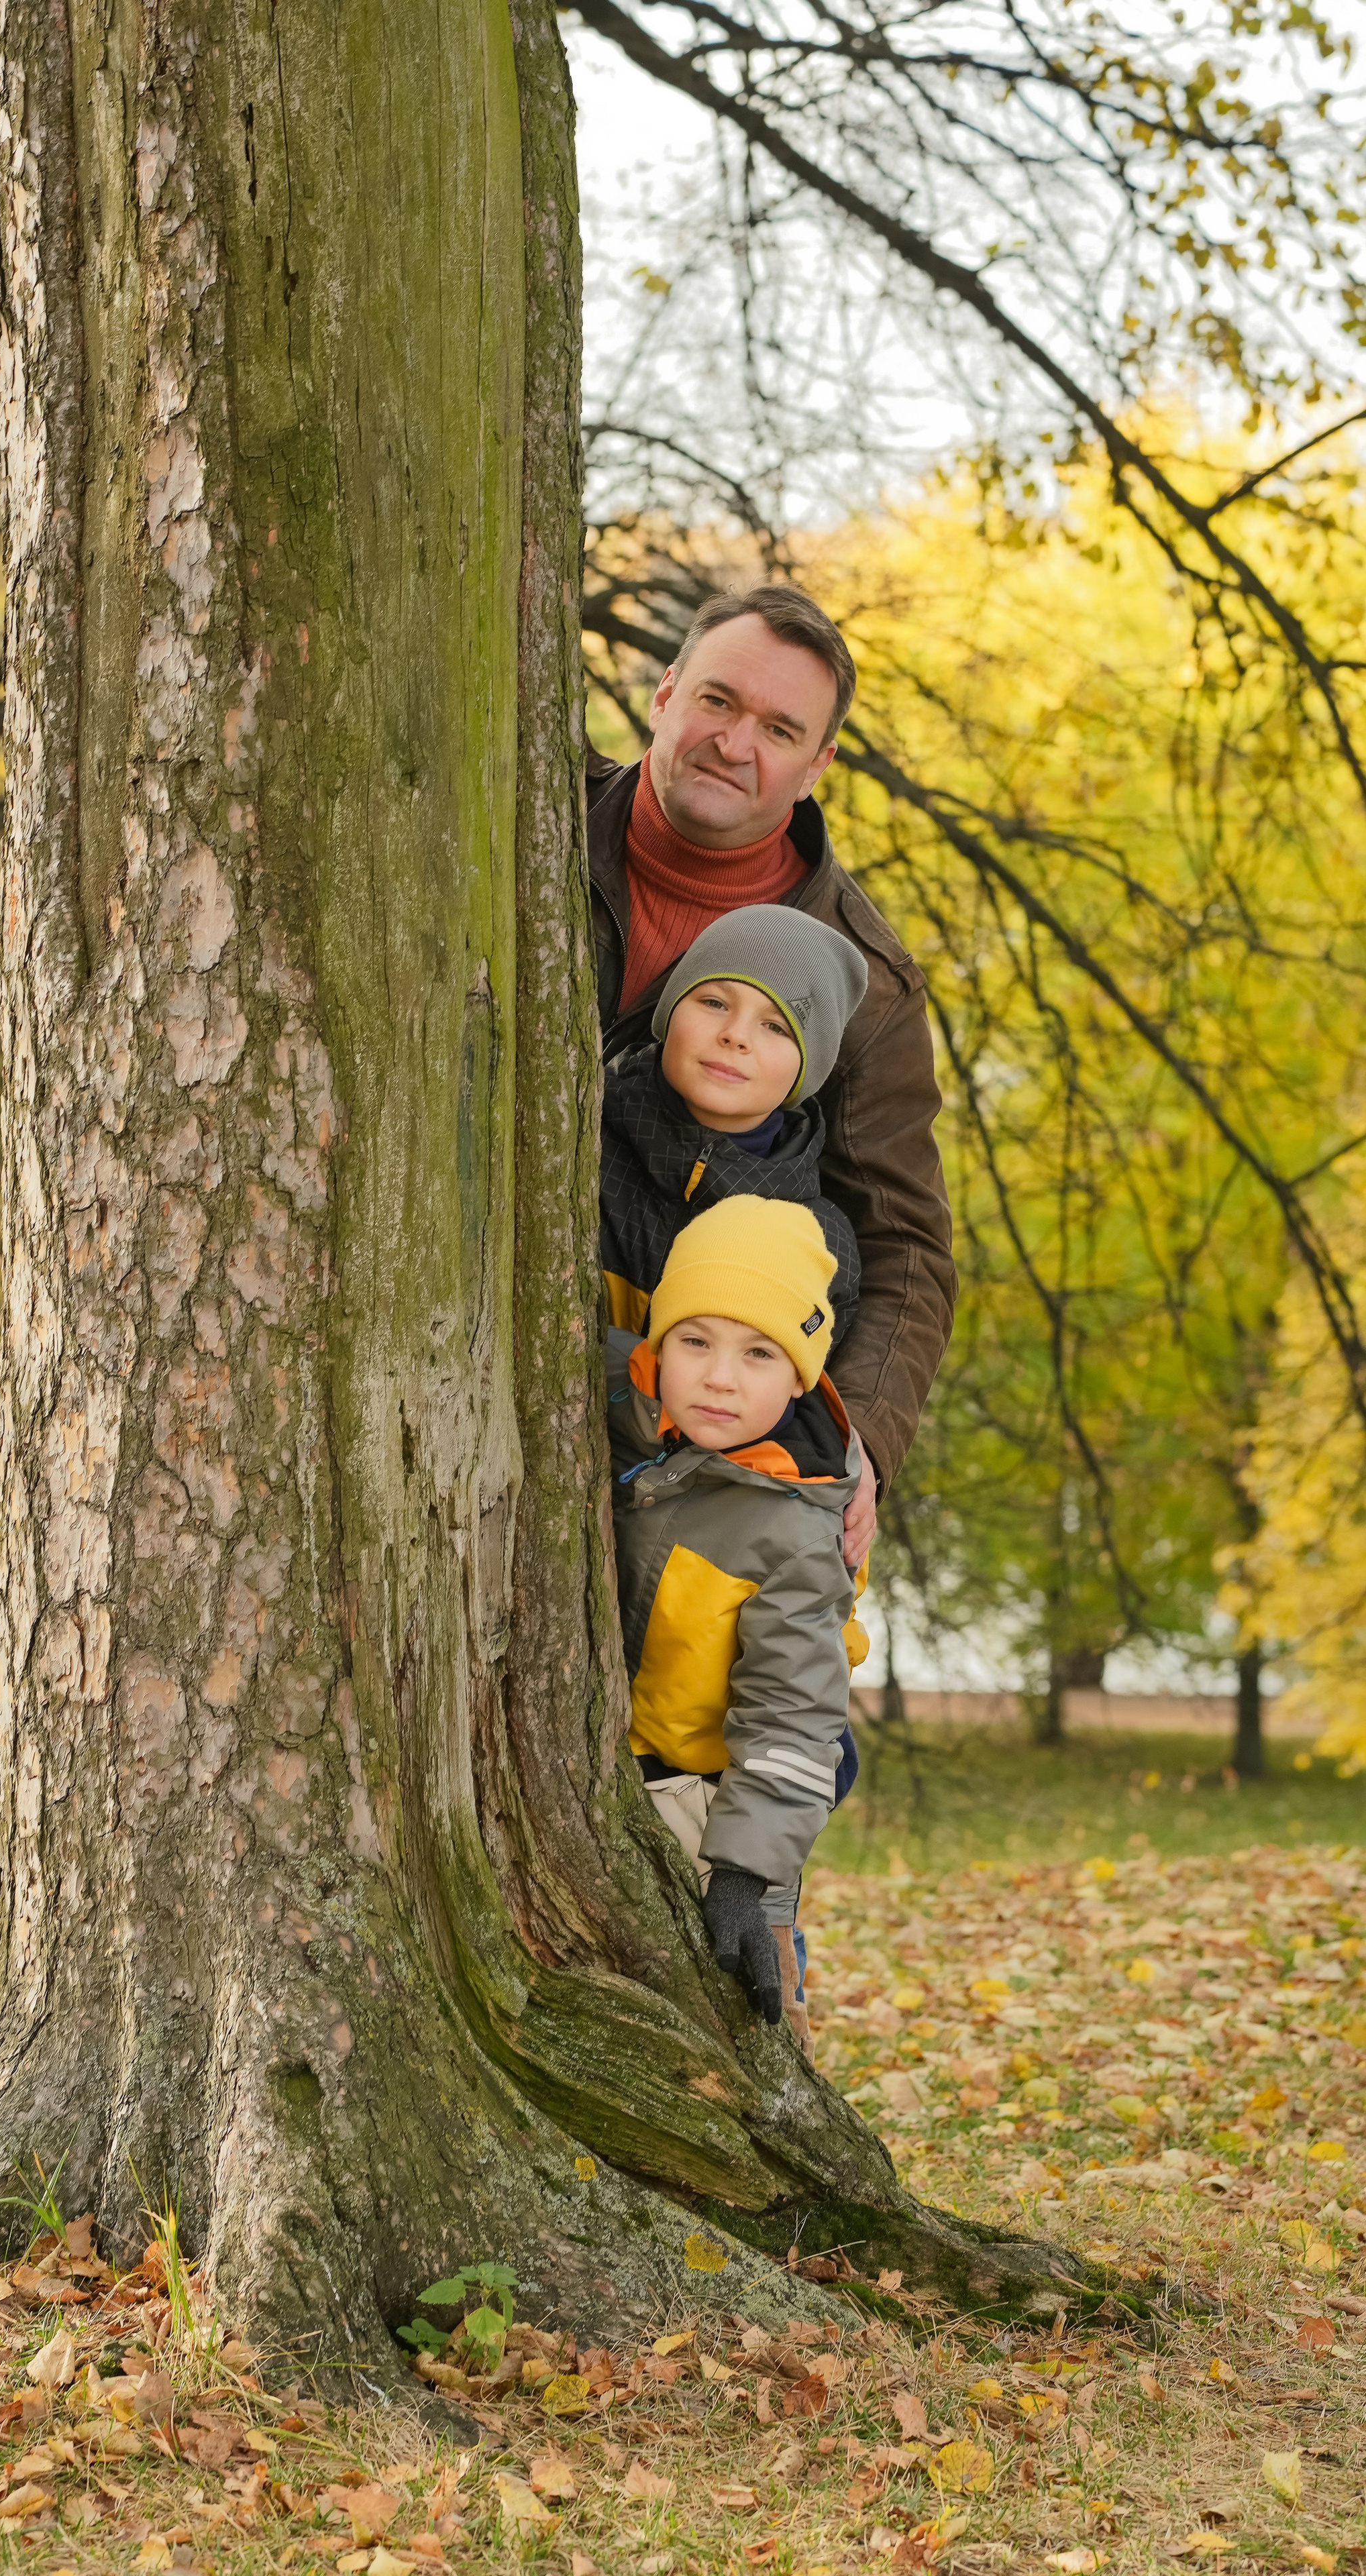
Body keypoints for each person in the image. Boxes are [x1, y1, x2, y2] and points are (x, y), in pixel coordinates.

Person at [588, 584, 955, 1568]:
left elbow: (908, 1246)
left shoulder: (866, 983)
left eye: (779, 728)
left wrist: (858, 1435)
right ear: (665, 695)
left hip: (683, 1430)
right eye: (718, 702)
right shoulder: (527, 815)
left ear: (816, 764)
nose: (735, 743)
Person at [608, 1195, 862, 2045]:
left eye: (759, 1354)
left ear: (799, 1377)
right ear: (657, 1344)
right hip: (624, 1771)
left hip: (724, 1802)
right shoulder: (626, 1417)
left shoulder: (790, 1533)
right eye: (695, 1341)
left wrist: (743, 1874)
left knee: (749, 2007)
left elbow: (794, 1715)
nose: (720, 1376)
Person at [599, 902, 868, 1347]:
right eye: (714, 1002)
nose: (736, 1035)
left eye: (776, 1027)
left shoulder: (817, 1245)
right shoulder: (581, 1139)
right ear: (670, 1011)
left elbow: (782, 1407)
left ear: (808, 1068)